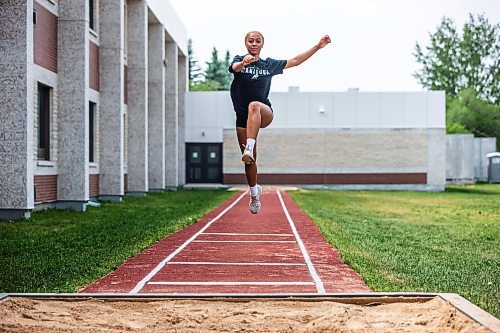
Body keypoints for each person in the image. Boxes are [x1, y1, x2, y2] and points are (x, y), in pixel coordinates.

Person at [229, 31, 331, 214]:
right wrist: (243, 63)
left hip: (263, 112)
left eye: (257, 41)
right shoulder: (239, 60)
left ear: (262, 44)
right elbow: (235, 67)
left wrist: (317, 46)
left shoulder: (269, 64)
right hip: (242, 118)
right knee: (249, 163)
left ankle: (249, 146)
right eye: (250, 41)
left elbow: (295, 61)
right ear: (245, 43)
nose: (253, 43)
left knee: (254, 105)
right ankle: (254, 193)